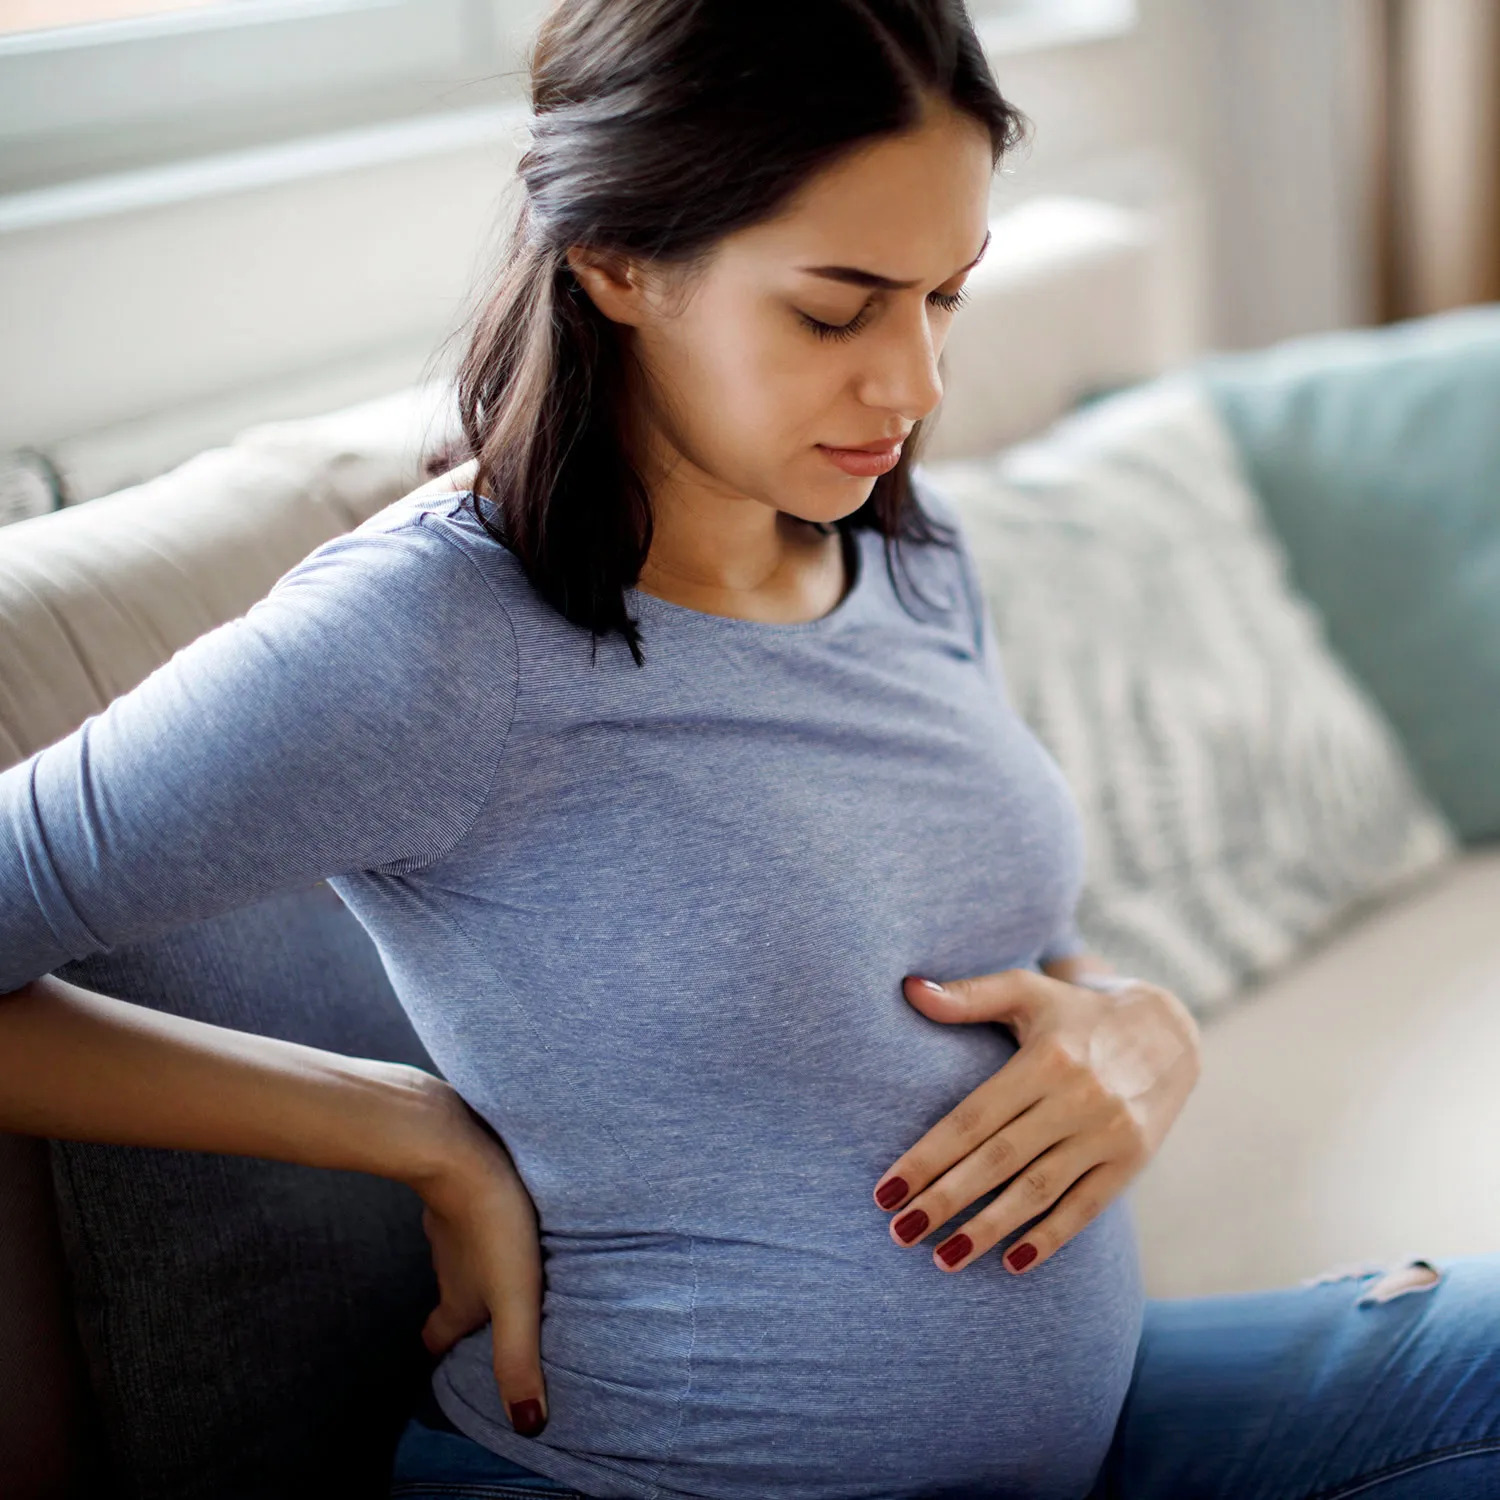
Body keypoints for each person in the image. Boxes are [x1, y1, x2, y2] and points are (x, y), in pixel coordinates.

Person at [3, 2, 1499, 1497]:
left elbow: (1003, 953)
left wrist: (1132, 1025)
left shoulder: (907, 555)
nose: (913, 386)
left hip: (1094, 1434)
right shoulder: (431, 634)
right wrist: (411, 1131)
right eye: (836, 311)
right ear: (616, 262)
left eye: (946, 297)